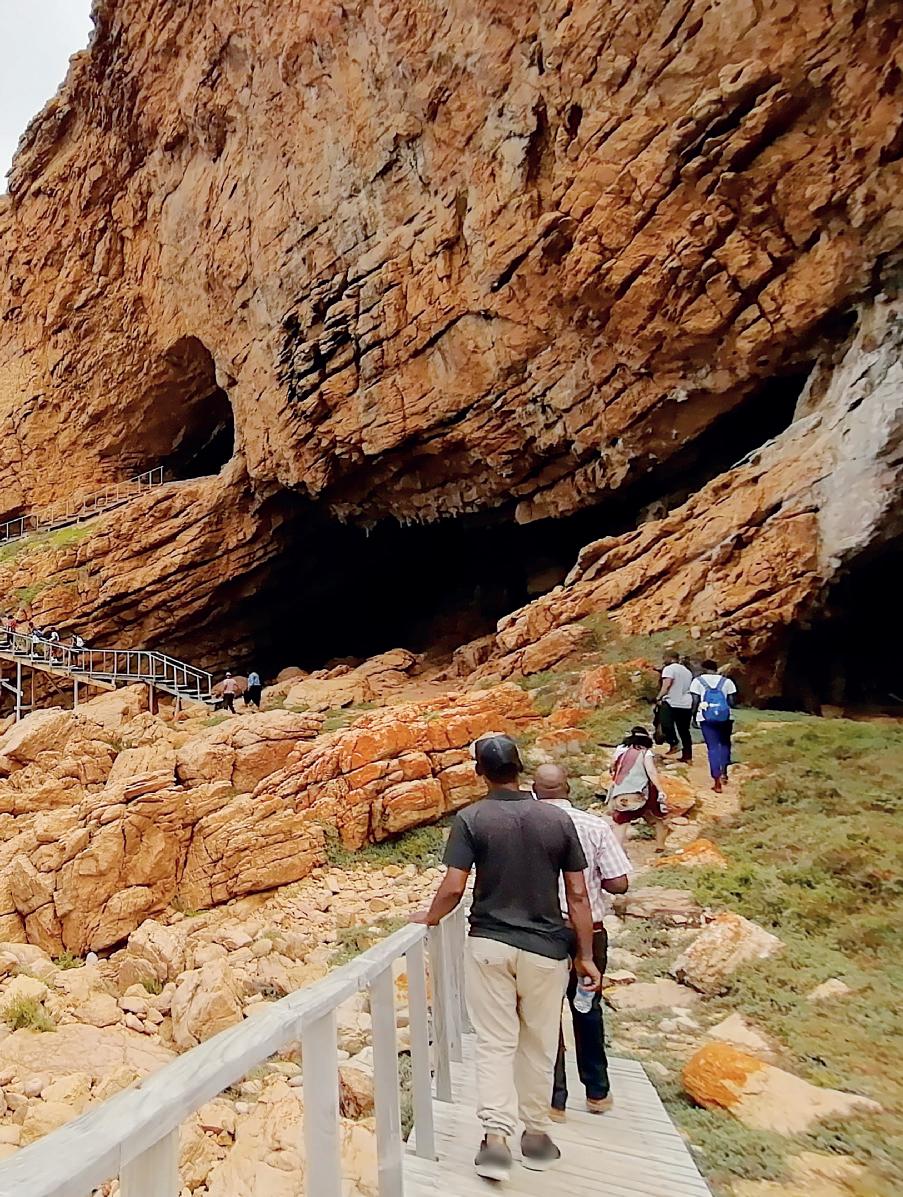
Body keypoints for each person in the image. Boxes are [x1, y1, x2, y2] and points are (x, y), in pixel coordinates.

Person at [412, 734, 600, 1183]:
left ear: (480, 772)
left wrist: (429, 918)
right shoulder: (556, 819)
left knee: (495, 1042)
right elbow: (577, 894)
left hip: (490, 945)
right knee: (539, 1041)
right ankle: (535, 1135)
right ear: (520, 768)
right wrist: (586, 956)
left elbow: (454, 887)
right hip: (546, 949)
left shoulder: (471, 818)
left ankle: (496, 1138)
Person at [532, 764, 631, 1121]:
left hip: (543, 930)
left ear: (534, 790)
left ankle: (554, 1099)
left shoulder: (528, 827)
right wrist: (594, 879)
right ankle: (597, 1092)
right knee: (587, 1006)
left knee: (545, 1013)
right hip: (590, 931)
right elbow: (619, 883)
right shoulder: (595, 826)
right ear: (568, 787)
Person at [608, 725, 671, 852]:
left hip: (620, 791)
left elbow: (612, 767)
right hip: (641, 791)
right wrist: (660, 789)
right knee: (656, 817)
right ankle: (660, 845)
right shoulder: (645, 752)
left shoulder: (621, 749)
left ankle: (616, 850)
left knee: (621, 821)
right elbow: (651, 772)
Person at [690, 660, 737, 792]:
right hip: (725, 718)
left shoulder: (697, 681)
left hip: (706, 718)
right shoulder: (727, 681)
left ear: (704, 668)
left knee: (713, 747)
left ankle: (716, 782)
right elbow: (732, 702)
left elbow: (695, 701)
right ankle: (724, 772)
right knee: (725, 744)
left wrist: (693, 716)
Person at [655, 652, 694, 762]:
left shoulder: (669, 669)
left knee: (665, 723)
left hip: (671, 701)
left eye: (664, 658)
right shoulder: (687, 671)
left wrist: (658, 697)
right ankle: (687, 755)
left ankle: (674, 742)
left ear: (670, 658)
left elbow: (667, 684)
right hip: (686, 702)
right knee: (684, 730)